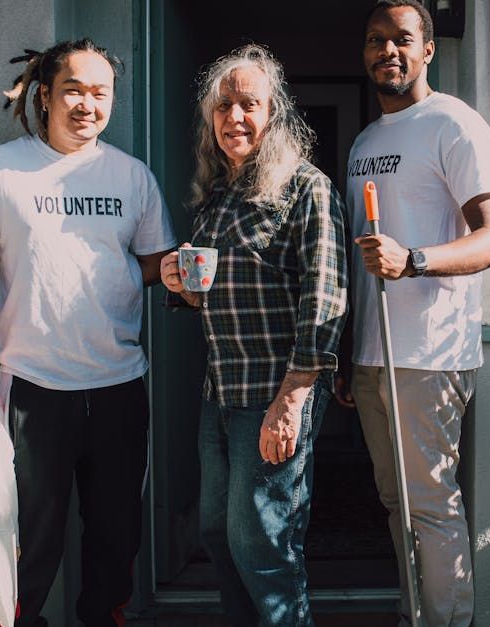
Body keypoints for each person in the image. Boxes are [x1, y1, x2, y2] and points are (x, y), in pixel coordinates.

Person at [0, 38, 176, 627]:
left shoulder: (133, 177)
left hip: (119, 385)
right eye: (74, 90)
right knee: (26, 543)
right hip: (33, 388)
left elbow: (152, 263)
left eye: (101, 93)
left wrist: (169, 272)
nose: (87, 105)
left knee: (115, 539)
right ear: (45, 95)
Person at [159, 44, 347, 627]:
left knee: (265, 546)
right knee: (219, 534)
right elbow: (211, 293)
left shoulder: (305, 188)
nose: (234, 118)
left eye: (249, 104)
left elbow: (327, 297)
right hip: (220, 393)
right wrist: (180, 286)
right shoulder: (217, 194)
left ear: (274, 115)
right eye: (223, 106)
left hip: (273, 397)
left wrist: (291, 401)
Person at [341, 1, 490, 625]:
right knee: (395, 502)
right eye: (375, 40)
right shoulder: (365, 141)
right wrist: (344, 355)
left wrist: (413, 259)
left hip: (429, 355)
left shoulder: (454, 124)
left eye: (402, 39)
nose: (388, 50)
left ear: (428, 49)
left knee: (431, 506)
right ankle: (418, 614)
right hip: (370, 354)